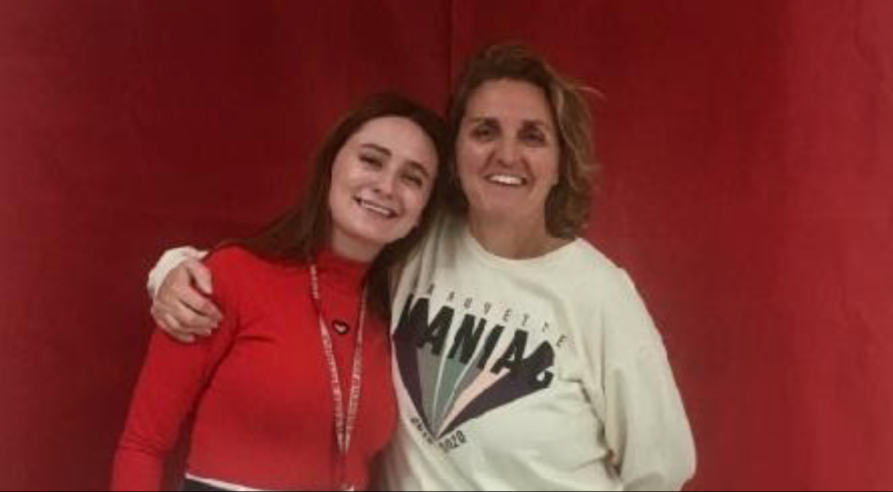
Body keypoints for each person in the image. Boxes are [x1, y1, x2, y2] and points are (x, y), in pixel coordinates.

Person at [147, 44, 697, 491]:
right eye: (484, 131)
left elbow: (661, 470)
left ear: (561, 162)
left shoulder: (600, 294)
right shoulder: (415, 242)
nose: (506, 154)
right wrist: (176, 270)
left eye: (533, 135)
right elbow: (299, 267)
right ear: (456, 153)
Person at [112, 93, 447, 491]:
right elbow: (142, 446)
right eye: (371, 160)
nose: (386, 186)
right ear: (330, 168)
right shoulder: (225, 276)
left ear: (422, 213)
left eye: (412, 178)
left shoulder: (397, 314)